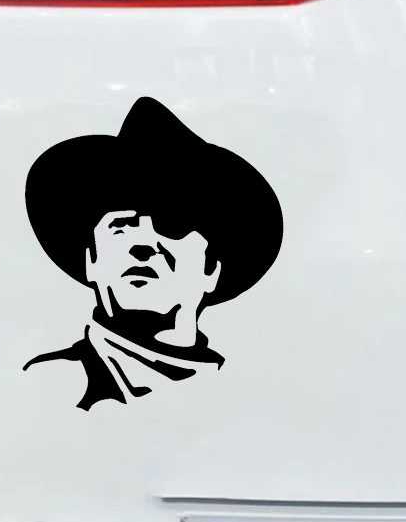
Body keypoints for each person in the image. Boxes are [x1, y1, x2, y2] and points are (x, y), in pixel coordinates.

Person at [23, 97, 283, 411]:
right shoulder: (49, 387)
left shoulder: (253, 399)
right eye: (122, 226)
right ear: (91, 260)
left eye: (172, 225)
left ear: (211, 269)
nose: (143, 245)